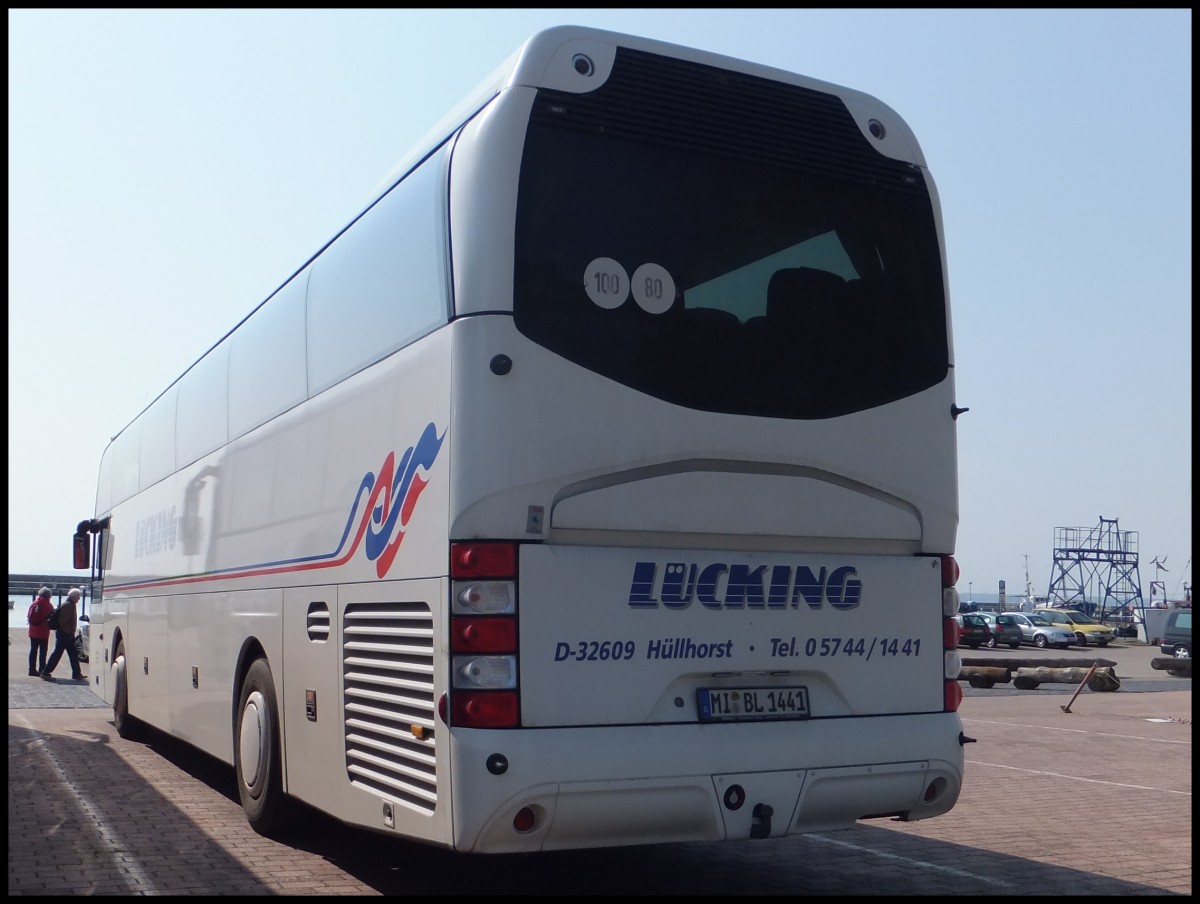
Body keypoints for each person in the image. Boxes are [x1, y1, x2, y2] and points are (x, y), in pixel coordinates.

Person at [41, 587, 84, 682]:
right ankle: (45, 672)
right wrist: (67, 630)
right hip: (64, 634)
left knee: (73, 654)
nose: (79, 598)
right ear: (73, 597)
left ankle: (77, 674)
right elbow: (62, 621)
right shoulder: (68, 605)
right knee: (57, 654)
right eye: (78, 596)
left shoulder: (70, 604)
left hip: (68, 634)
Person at [26, 587, 54, 677]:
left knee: (33, 650)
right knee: (43, 651)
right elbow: (52, 618)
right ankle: (42, 669)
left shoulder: (34, 603)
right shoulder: (48, 605)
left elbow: (28, 616)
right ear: (48, 596)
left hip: (33, 630)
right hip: (43, 631)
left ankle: (31, 669)